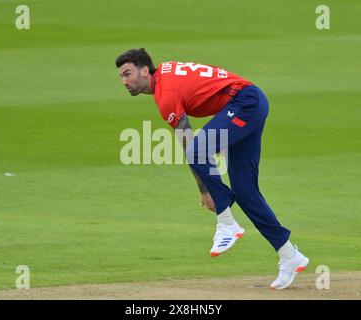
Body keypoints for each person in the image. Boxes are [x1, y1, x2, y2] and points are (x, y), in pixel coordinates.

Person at [115, 48, 310, 290]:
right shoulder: (165, 74)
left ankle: (227, 221)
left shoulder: (166, 94)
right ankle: (289, 255)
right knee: (245, 190)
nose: (124, 81)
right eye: (122, 76)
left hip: (245, 103)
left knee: (196, 149)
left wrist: (207, 192)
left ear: (145, 70)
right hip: (247, 103)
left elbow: (189, 144)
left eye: (127, 74)